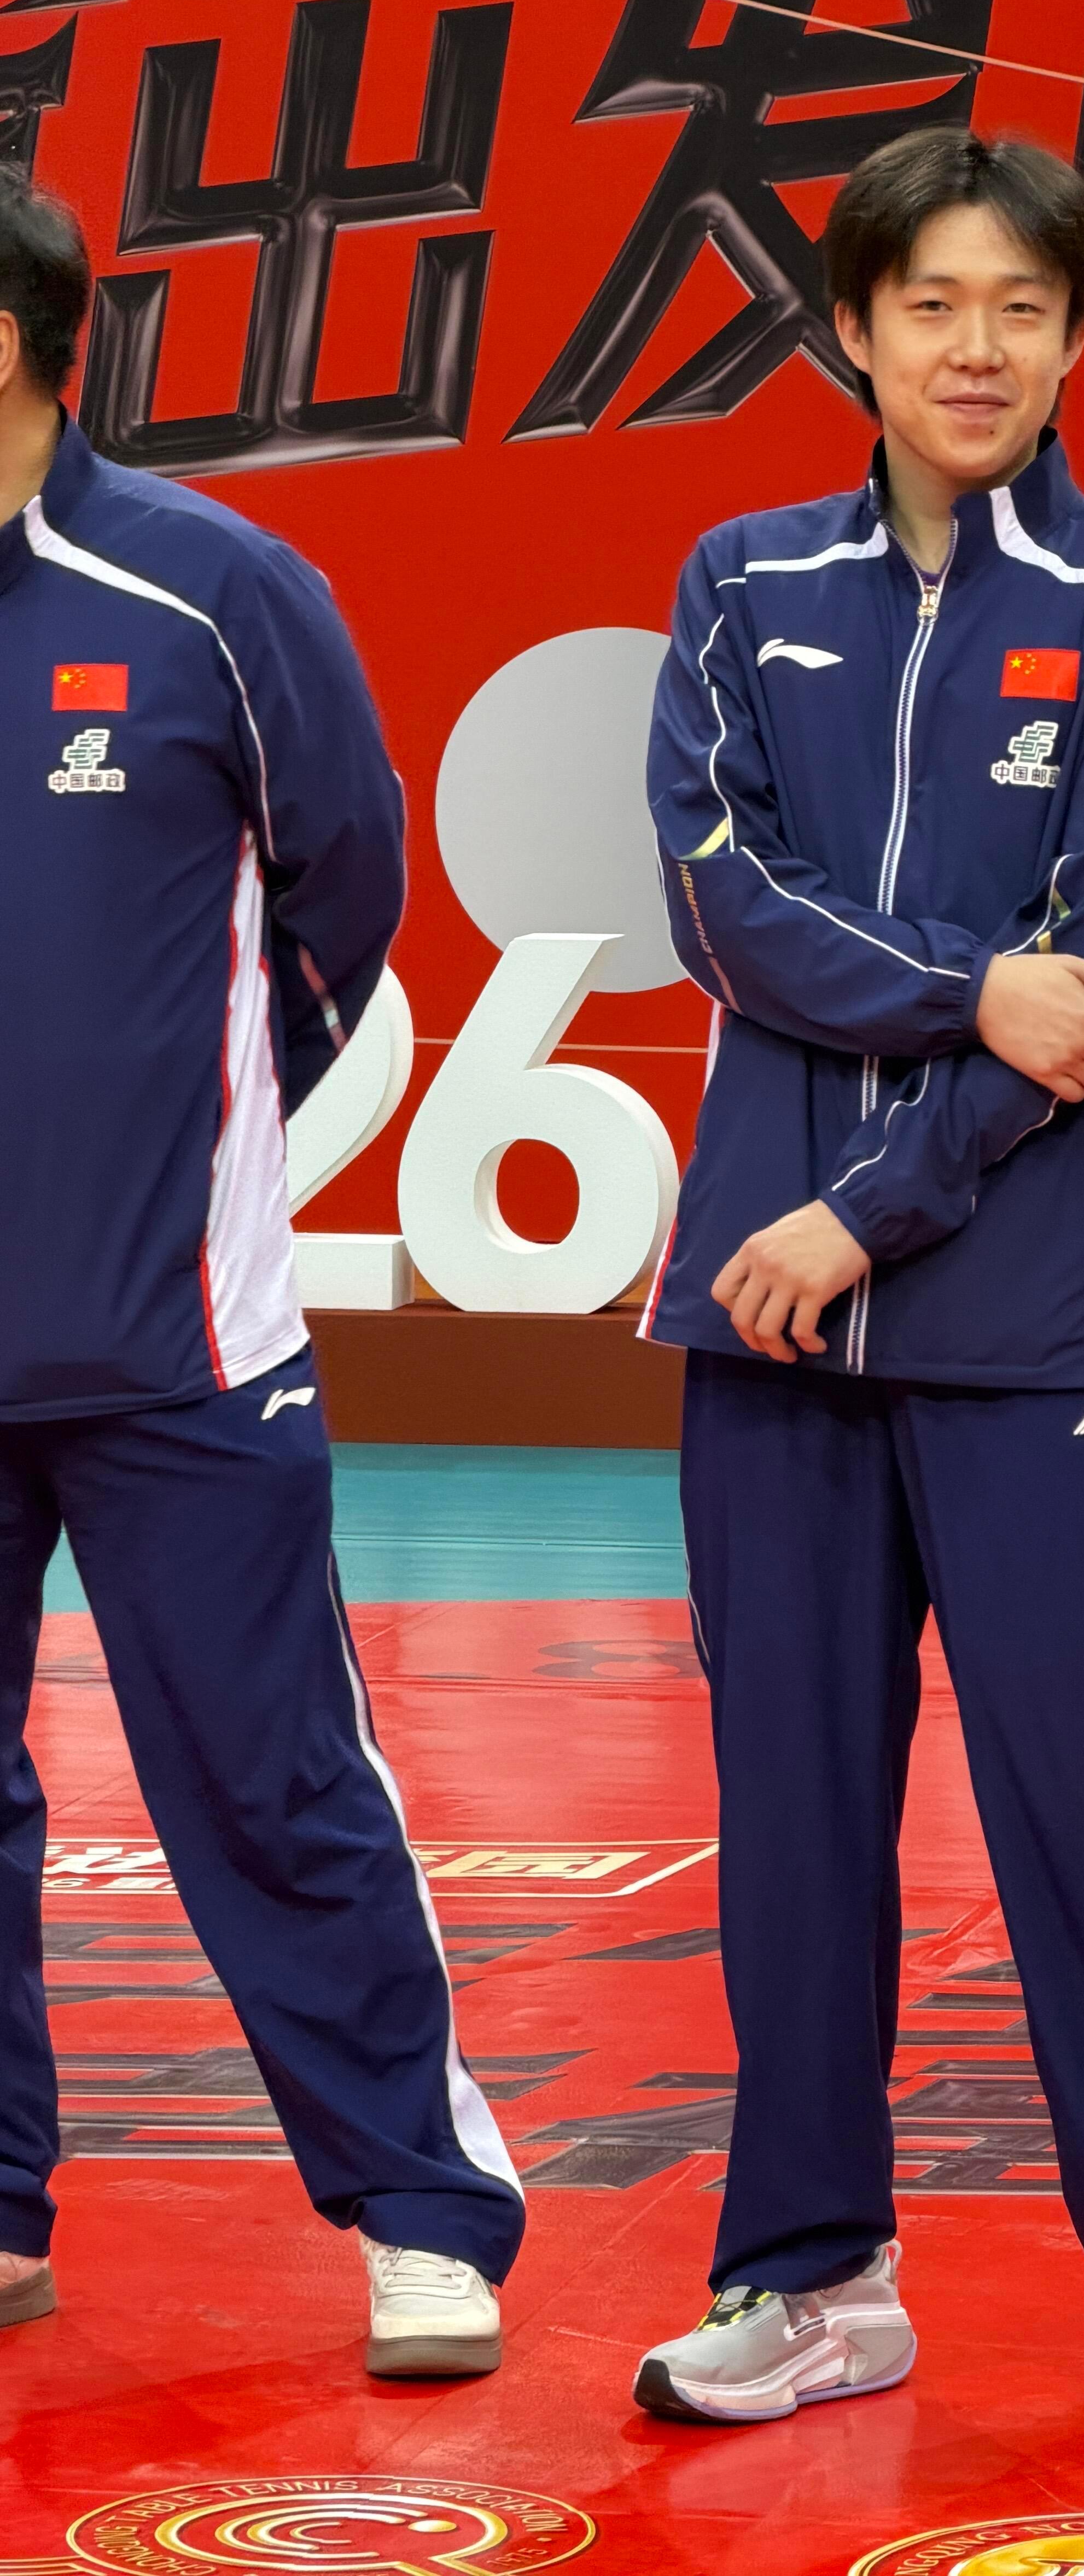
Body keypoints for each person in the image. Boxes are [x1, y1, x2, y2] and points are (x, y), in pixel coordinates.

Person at [634, 126, 1084, 2455]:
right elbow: (723, 899)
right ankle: (811, 2278)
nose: (975, 348)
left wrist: (867, 1208)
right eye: (931, 305)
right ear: (854, 329)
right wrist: (963, 983)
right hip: (767, 1329)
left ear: (1078, 334)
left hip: (1032, 1320)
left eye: (1021, 306)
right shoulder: (741, 582)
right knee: (794, 1824)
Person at [0, 176, 522, 2374]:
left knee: (275, 1783)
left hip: (180, 1344)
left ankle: (424, 2210)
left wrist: (186, 1137)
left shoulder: (214, 591)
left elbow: (346, 891)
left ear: (20, 339)